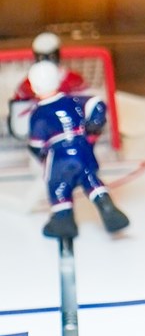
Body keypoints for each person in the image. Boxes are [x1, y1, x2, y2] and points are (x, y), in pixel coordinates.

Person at [26, 60, 128, 240]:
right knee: (90, 179)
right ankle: (106, 205)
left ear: (34, 86)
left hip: (59, 156)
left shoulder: (38, 114)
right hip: (82, 150)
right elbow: (97, 104)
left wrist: (41, 156)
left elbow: (36, 145)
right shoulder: (73, 101)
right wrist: (94, 125)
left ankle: (63, 221)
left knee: (58, 186)